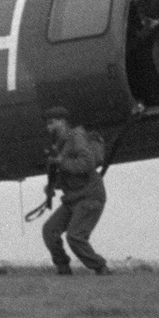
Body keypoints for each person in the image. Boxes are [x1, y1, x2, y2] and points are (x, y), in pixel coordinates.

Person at [39, 107, 111, 276]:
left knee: (75, 237)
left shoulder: (76, 137)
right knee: (50, 231)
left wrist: (61, 161)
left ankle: (100, 267)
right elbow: (70, 174)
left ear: (62, 122)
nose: (48, 128)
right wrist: (53, 186)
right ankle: (63, 268)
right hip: (73, 199)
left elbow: (86, 164)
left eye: (51, 123)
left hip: (89, 197)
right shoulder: (61, 143)